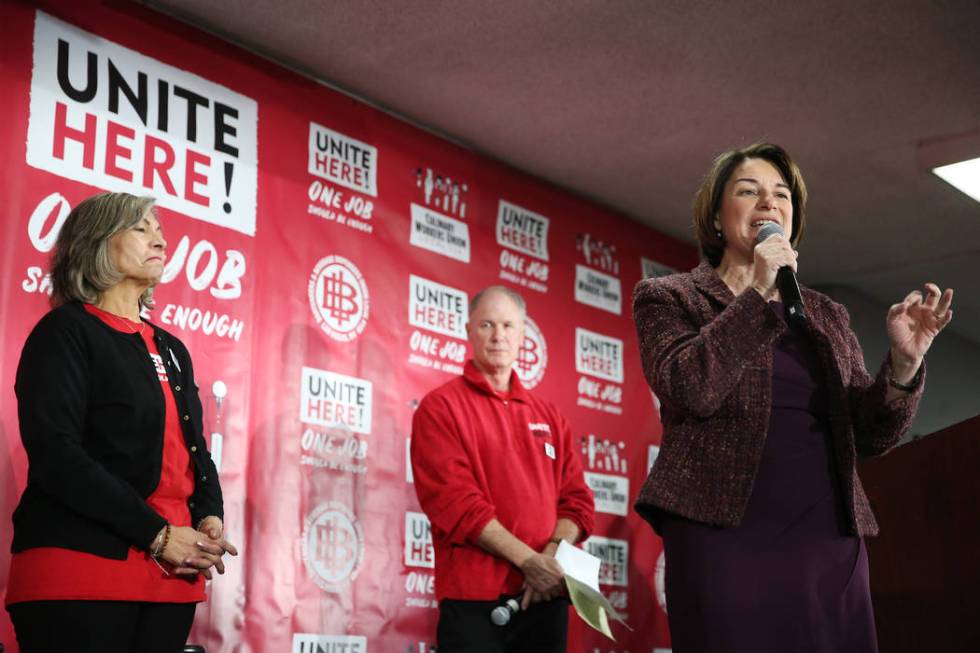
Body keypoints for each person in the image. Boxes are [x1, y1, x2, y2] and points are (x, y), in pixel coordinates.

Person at [632, 143, 954, 653]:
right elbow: (691, 385)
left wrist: (903, 365)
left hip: (826, 536)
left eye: (781, 195)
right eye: (748, 191)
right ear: (716, 217)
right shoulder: (670, 298)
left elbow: (870, 434)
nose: (769, 203)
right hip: (722, 535)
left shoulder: (825, 314)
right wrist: (757, 291)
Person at [5, 191, 238, 653]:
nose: (161, 240)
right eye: (142, 227)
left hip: (171, 575)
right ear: (96, 242)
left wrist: (209, 512)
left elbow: (195, 451)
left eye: (161, 231)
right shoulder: (65, 332)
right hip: (81, 569)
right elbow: (57, 454)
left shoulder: (173, 349)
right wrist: (158, 534)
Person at [411, 286, 595, 653]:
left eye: (508, 326)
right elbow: (457, 504)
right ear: (468, 331)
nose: (498, 336)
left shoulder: (550, 416)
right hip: (476, 602)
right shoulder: (440, 408)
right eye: (487, 325)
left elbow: (577, 503)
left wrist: (547, 561)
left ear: (523, 334)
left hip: (545, 599)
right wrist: (530, 562)